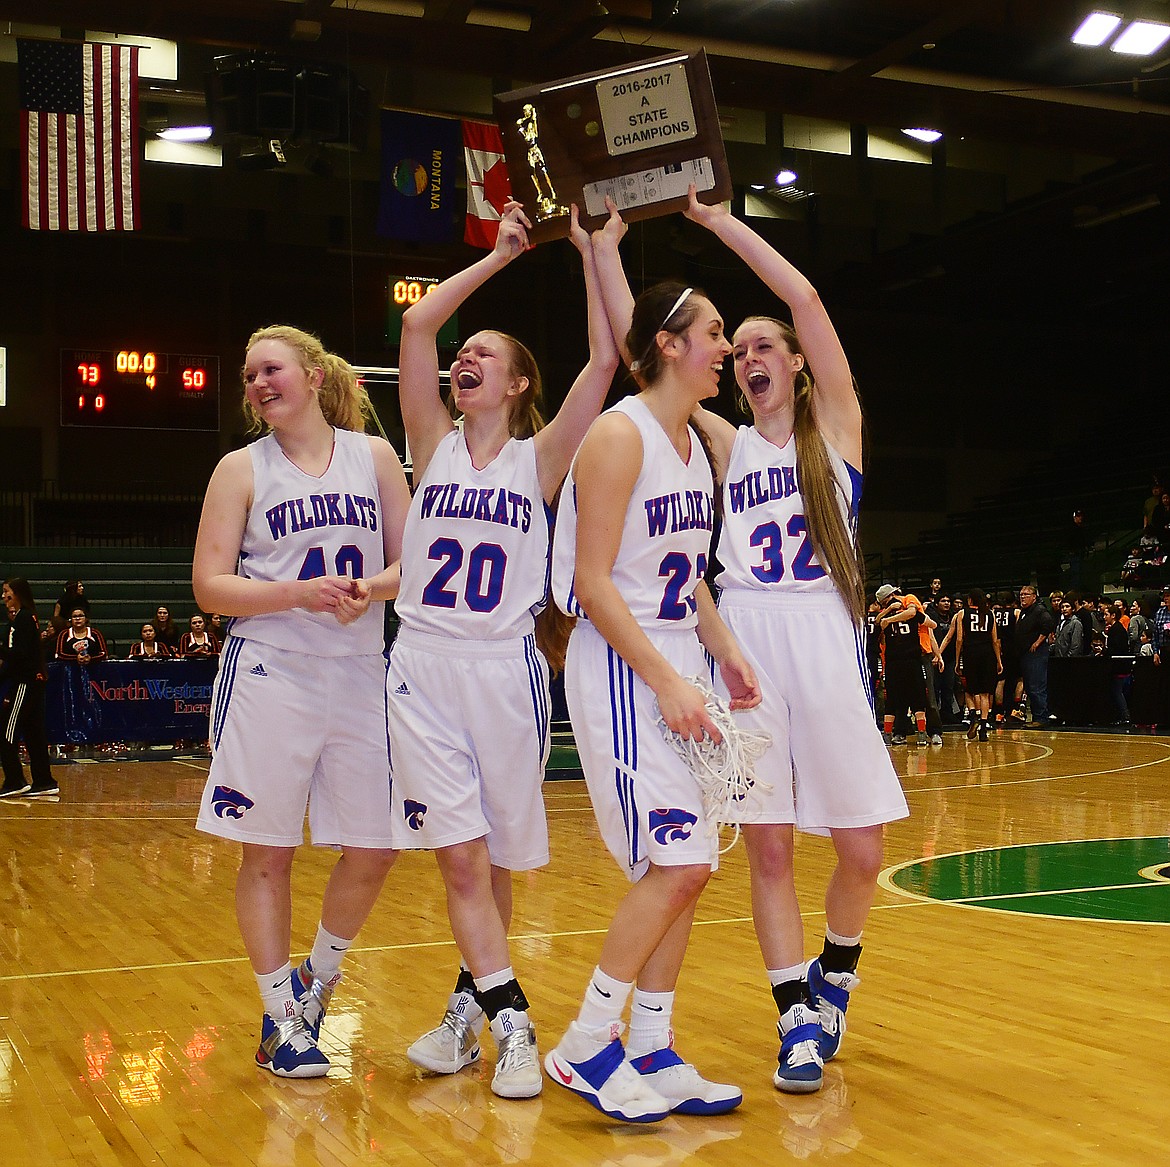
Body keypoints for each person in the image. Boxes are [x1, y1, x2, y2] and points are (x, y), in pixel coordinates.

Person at [591, 187, 909, 1100]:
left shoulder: (835, 432)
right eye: (742, 348)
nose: (749, 356)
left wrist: (714, 220)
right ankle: (794, 1018)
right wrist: (606, 253)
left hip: (823, 632)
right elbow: (641, 348)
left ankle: (835, 972)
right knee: (767, 850)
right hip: (745, 644)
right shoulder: (726, 444)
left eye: (766, 346)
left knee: (861, 850)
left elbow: (806, 300)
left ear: (800, 364)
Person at [389, 202, 616, 1102]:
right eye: (463, 354)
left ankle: (466, 1012)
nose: (464, 359)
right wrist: (501, 255)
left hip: (506, 666)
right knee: (457, 855)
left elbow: (605, 361)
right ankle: (516, 1021)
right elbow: (416, 322)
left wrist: (596, 249)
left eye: (487, 353)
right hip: (424, 664)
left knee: (488, 859)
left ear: (521, 384)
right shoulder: (427, 443)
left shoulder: (542, 458)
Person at [546, 208, 761, 1123]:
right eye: (714, 333)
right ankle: (585, 1043)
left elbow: (687, 578)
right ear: (672, 345)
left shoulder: (691, 447)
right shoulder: (620, 435)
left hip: (677, 659)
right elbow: (593, 584)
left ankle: (652, 1043)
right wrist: (669, 679)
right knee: (674, 861)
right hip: (622, 665)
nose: (725, 348)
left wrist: (725, 653)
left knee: (696, 862)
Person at [192, 324, 411, 1079]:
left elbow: (412, 561)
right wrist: (298, 593)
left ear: (315, 375)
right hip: (271, 672)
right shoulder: (239, 468)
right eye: (249, 374)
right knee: (270, 851)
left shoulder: (374, 456)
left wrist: (370, 591)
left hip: (358, 671)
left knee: (378, 844)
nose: (257, 382)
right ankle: (279, 1017)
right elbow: (209, 585)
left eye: (271, 368)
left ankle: (315, 986)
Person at [0, 577, 57, 798]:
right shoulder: (22, 619)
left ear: (17, 593)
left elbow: (21, 656)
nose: (4, 596)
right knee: (34, 733)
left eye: (7, 591)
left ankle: (15, 779)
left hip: (26, 682)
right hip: (29, 681)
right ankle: (44, 781)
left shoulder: (23, 619)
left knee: (6, 731)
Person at [954, 589, 1001, 741]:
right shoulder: (990, 614)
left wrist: (957, 660)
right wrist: (999, 660)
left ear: (970, 600)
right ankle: (983, 729)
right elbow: (995, 640)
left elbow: (960, 639)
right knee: (986, 693)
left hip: (971, 653)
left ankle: (974, 714)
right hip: (987, 654)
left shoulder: (963, 614)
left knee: (971, 690)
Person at [1015, 584, 1055, 725]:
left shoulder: (1039, 610)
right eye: (1021, 595)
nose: (1023, 597)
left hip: (1036, 654)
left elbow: (1048, 624)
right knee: (1031, 686)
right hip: (1025, 654)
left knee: (1037, 686)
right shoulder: (1025, 611)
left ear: (1034, 597)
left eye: (1026, 594)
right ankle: (1037, 716)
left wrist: (1038, 642)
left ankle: (1041, 717)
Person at [45, 579, 88, 647]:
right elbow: (56, 619)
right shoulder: (61, 602)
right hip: (64, 628)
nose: (82, 588)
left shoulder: (83, 600)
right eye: (79, 586)